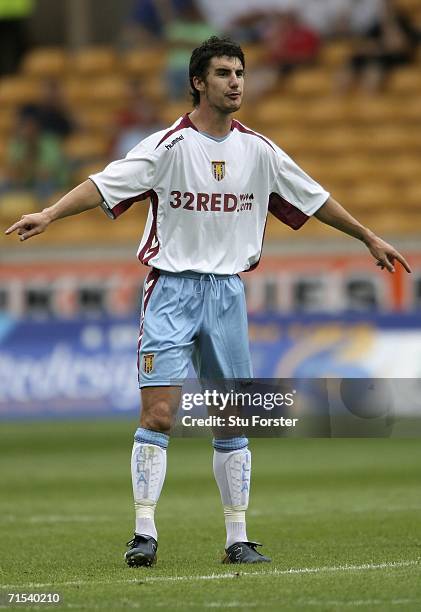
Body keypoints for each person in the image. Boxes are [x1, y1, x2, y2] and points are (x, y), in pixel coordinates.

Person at [5, 36, 411, 567]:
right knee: (159, 414)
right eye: (223, 73)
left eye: (239, 72)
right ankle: (144, 533)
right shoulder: (167, 146)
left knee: (232, 416)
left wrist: (366, 236)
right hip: (170, 288)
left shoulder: (259, 151)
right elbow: (103, 185)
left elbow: (314, 197)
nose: (235, 81)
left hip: (227, 294)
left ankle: (237, 539)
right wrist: (50, 214)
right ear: (199, 82)